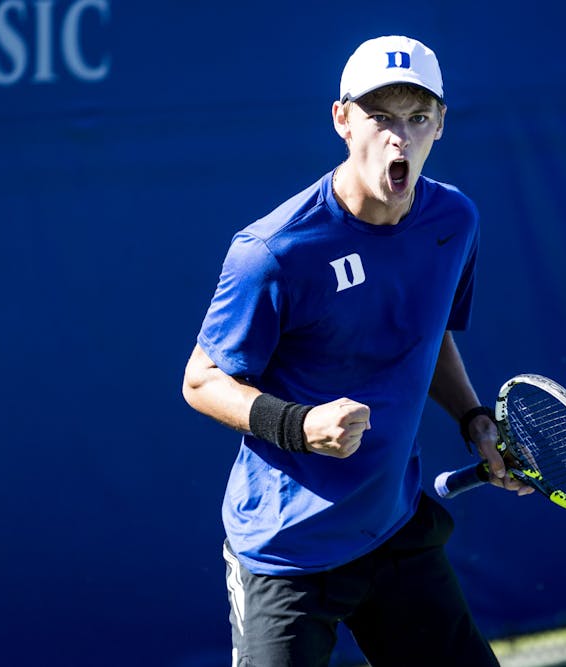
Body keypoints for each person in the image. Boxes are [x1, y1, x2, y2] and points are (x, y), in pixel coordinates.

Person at [182, 34, 531, 667]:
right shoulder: (274, 252)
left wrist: (475, 420)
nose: (399, 138)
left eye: (417, 118)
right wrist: (300, 424)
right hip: (287, 551)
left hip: (393, 527)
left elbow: (427, 336)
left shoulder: (453, 222)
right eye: (380, 117)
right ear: (343, 121)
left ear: (440, 126)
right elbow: (201, 381)